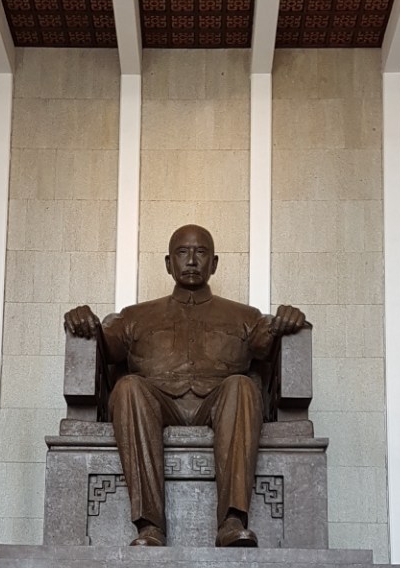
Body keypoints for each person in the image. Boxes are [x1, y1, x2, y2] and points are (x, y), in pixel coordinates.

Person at [65, 225, 306, 547]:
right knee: (129, 387)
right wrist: (85, 322)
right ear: (168, 263)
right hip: (156, 403)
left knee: (241, 386)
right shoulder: (135, 316)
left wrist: (291, 320)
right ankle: (150, 526)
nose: (191, 260)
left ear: (215, 263)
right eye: (182, 252)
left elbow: (270, 340)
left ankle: (233, 522)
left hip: (220, 404)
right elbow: (102, 344)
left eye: (201, 252)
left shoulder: (244, 316)